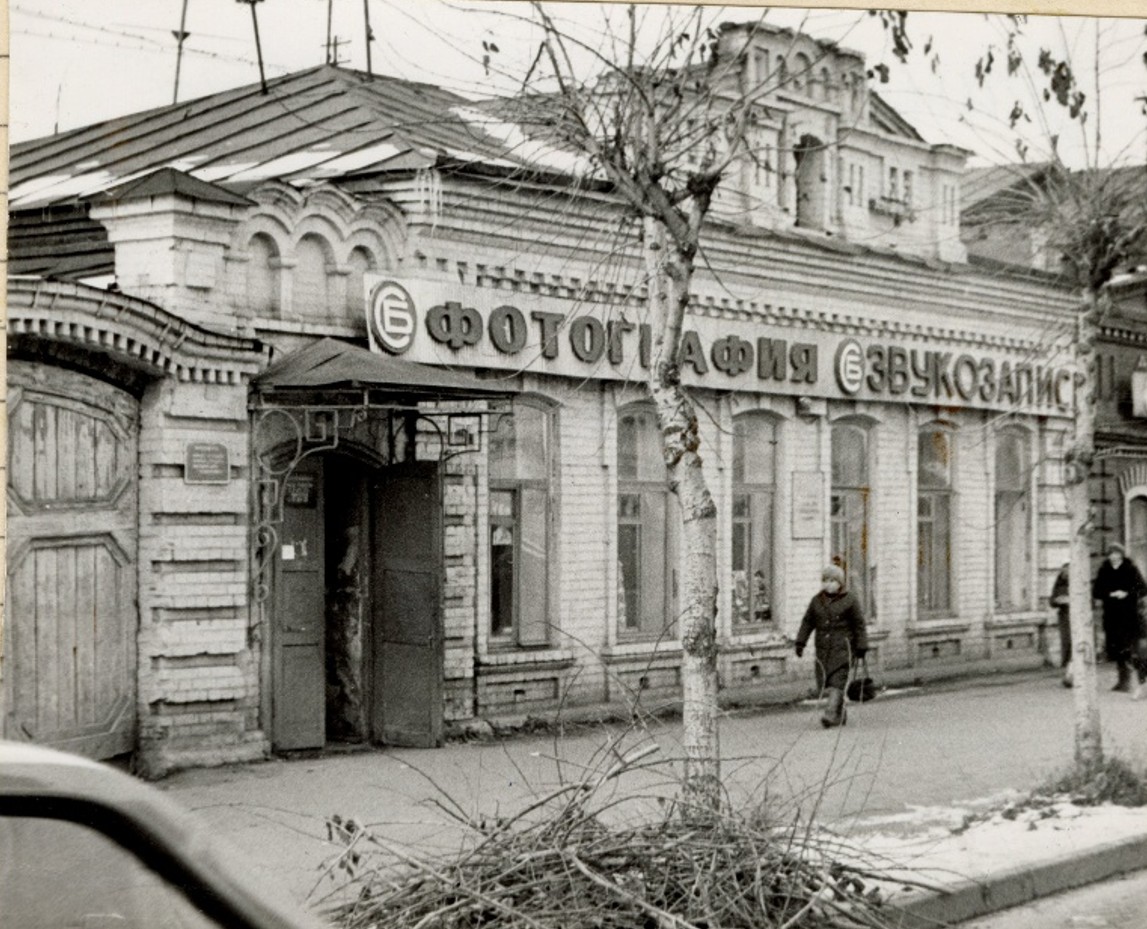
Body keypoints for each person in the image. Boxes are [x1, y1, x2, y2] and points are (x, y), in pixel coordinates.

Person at [795, 564, 868, 728]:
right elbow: (807, 622)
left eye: (832, 580)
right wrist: (800, 642)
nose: (828, 584)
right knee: (827, 683)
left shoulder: (850, 600)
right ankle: (840, 714)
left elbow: (859, 625)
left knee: (837, 682)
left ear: (840, 583)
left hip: (844, 649)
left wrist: (862, 646)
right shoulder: (816, 601)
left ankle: (830, 714)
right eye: (825, 580)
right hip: (823, 651)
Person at [1091, 543, 1146, 695]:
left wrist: (1126, 593)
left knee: (1131, 649)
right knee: (1117, 649)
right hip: (1111, 615)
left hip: (1129, 615)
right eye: (1111, 554)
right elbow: (1096, 591)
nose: (1113, 556)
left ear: (1121, 554)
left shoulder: (1130, 569)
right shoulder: (1104, 570)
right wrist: (1109, 594)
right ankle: (1123, 681)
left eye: (1116, 553)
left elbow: (1142, 588)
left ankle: (1140, 680)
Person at [1050, 562, 1071, 687]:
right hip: (1064, 618)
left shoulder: (1080, 582)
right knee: (1066, 645)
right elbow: (1052, 601)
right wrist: (1057, 600)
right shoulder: (1059, 582)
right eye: (1064, 571)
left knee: (1075, 646)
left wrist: (1071, 600)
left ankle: (1071, 675)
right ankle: (1068, 674)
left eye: (1068, 571)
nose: (1066, 573)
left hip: (1077, 618)